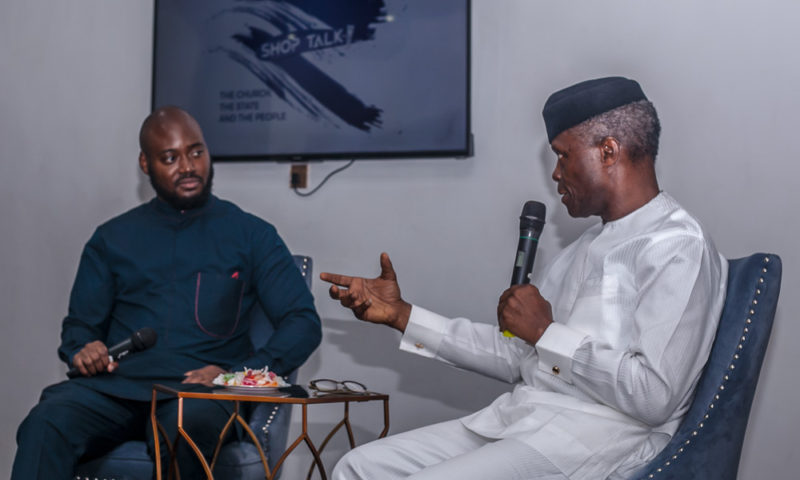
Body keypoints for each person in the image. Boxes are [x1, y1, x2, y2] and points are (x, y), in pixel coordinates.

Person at [320, 77, 728, 480]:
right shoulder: (580, 250)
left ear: (608, 150)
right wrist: (401, 315)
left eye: (562, 155)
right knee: (358, 467)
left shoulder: (675, 244)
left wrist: (547, 332)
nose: (554, 174)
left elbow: (653, 394)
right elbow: (515, 355)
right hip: (523, 421)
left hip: (600, 441)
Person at [11, 106, 322, 479]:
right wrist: (84, 348)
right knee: (47, 421)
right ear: (145, 164)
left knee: (183, 427)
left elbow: (302, 323)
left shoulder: (252, 235)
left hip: (199, 396)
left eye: (196, 152)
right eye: (170, 158)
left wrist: (234, 376)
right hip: (116, 390)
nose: (188, 167)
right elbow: (80, 327)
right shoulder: (111, 238)